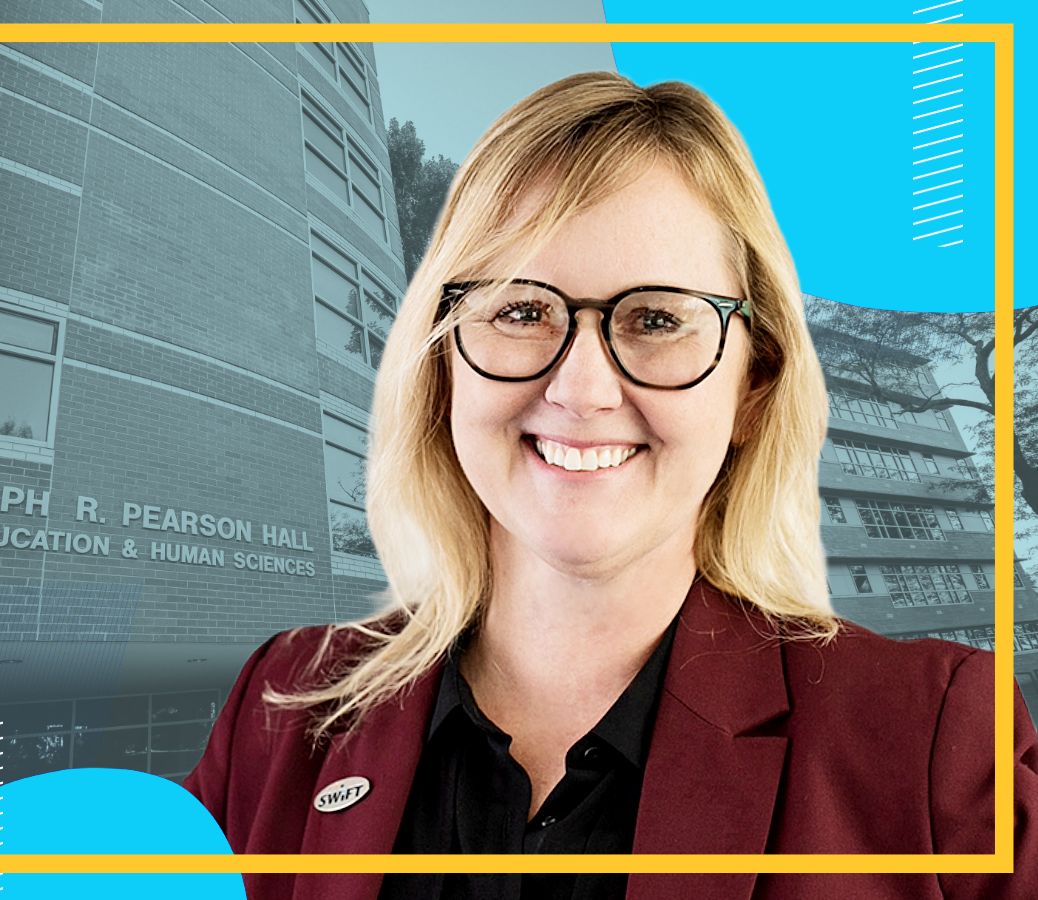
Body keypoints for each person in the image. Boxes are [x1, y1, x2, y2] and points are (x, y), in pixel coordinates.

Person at [185, 73, 1038, 899]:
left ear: (753, 387)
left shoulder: (935, 746)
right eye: (521, 310)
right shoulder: (282, 709)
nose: (582, 390)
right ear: (444, 364)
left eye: (658, 319)